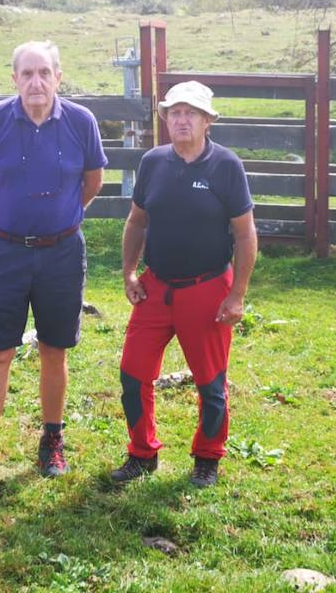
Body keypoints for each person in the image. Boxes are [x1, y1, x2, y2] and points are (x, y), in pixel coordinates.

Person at [0, 41, 107, 501]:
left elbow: (92, 182)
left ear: (59, 76)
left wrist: (58, 220)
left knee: (53, 350)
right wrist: (5, 221)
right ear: (14, 78)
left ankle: (52, 439)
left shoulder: (81, 122)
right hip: (4, 253)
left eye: (44, 73)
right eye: (27, 74)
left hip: (61, 253)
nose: (36, 82)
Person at [109, 81, 257, 488]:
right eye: (174, 112)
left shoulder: (226, 166)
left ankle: (207, 457)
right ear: (165, 119)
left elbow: (245, 234)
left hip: (207, 288)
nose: (181, 119)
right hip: (157, 287)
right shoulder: (153, 162)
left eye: (191, 112)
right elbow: (137, 221)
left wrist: (237, 294)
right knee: (132, 374)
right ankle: (142, 453)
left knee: (211, 381)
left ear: (208, 121)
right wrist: (129, 273)